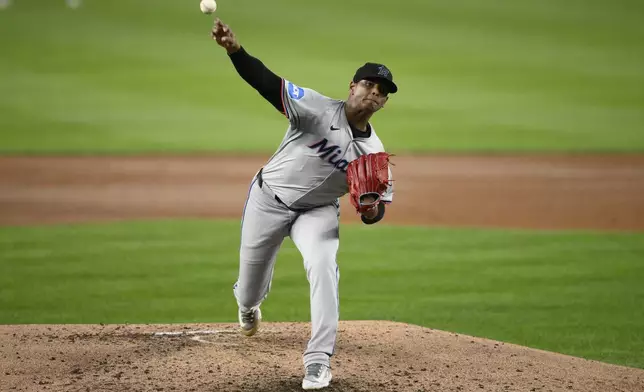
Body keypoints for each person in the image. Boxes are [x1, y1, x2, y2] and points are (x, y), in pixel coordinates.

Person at [211, 18, 398, 390]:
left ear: (384, 101)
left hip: (317, 211)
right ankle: (248, 306)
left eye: (381, 91)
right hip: (268, 199)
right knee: (248, 289)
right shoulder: (313, 107)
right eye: (367, 85)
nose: (373, 93)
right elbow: (267, 83)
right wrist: (235, 50)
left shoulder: (375, 155)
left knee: (324, 265)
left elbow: (377, 213)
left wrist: (371, 209)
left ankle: (318, 360)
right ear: (352, 86)